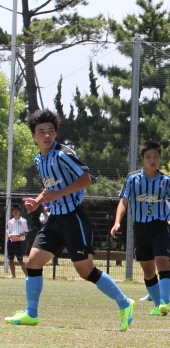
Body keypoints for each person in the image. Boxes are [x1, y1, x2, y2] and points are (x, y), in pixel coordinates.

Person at [4, 109, 135, 331]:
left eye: (50, 131)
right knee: (33, 263)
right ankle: (31, 314)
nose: (47, 135)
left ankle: (125, 303)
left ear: (55, 133)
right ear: (34, 136)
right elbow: (50, 187)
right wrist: (37, 202)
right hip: (55, 219)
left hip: (74, 218)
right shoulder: (39, 158)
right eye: (41, 131)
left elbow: (86, 179)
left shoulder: (63, 153)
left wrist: (59, 193)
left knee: (86, 272)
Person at [111, 141, 170, 317]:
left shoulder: (166, 181)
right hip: (140, 228)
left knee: (163, 263)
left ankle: (164, 301)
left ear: (160, 158)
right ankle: (157, 305)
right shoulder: (132, 179)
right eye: (148, 157)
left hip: (159, 226)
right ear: (142, 159)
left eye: (155, 156)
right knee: (148, 270)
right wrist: (117, 221)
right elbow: (123, 202)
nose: (152, 160)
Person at [5, 203, 29, 278]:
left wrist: (20, 235)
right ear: (12, 212)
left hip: (19, 242)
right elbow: (8, 231)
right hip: (11, 242)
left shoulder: (24, 221)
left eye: (17, 211)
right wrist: (9, 235)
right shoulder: (10, 221)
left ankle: (27, 275)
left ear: (19, 212)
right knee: (11, 259)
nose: (15, 213)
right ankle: (13, 275)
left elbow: (26, 232)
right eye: (13, 211)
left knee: (20, 260)